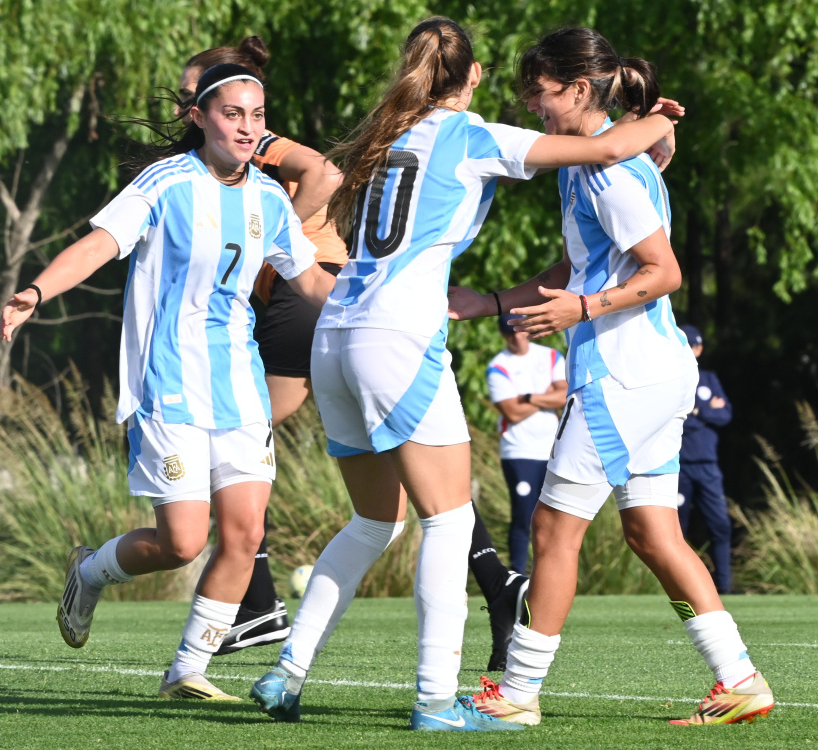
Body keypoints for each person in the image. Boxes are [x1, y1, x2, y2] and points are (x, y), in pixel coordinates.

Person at [249, 16, 682, 732]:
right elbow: (603, 145)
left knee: (371, 521)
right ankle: (433, 701)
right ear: (472, 76)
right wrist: (657, 121)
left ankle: (286, 673)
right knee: (449, 523)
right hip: (396, 334)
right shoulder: (472, 134)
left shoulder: (388, 133)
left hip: (338, 331)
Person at [448, 27, 773, 727]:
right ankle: (740, 680)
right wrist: (495, 302)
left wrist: (583, 309)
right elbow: (575, 267)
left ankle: (514, 694)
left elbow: (665, 272)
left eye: (538, 96)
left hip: (622, 379)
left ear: (575, 88)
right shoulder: (589, 165)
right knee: (654, 536)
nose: (533, 109)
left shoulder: (606, 169)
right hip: (652, 377)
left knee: (552, 536)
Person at [0, 63, 335, 701]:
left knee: (246, 534)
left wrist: (377, 312)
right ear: (199, 118)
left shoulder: (268, 198)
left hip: (240, 384)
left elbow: (311, 279)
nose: (246, 126)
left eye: (256, 116)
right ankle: (90, 572)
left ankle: (186, 671)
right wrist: (37, 290)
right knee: (183, 542)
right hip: (169, 381)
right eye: (232, 114)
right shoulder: (166, 182)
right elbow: (100, 244)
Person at [176, 36, 348, 657]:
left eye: (193, 94)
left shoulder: (252, 146)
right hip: (311, 289)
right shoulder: (217, 154)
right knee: (250, 441)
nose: (185, 106)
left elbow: (327, 173)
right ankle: (257, 599)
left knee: (238, 437)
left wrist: (263, 245)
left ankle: (258, 601)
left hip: (303, 288)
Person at [487, 314, 567, 574]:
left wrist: (529, 397)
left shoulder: (551, 356)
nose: (517, 338)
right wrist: (547, 397)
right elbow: (512, 413)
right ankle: (518, 575)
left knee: (555, 517)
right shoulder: (498, 366)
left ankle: (549, 572)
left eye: (520, 331)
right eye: (511, 334)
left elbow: (565, 395)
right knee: (523, 516)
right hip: (518, 451)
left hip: (552, 449)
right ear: (504, 336)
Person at [677, 324, 734, 594]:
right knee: (675, 530)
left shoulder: (709, 379)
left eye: (690, 345)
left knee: (719, 525)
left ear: (698, 349)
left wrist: (695, 411)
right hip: (678, 466)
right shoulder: (668, 378)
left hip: (707, 465)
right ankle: (679, 589)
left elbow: (725, 416)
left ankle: (724, 585)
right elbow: (670, 420)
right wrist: (704, 411)